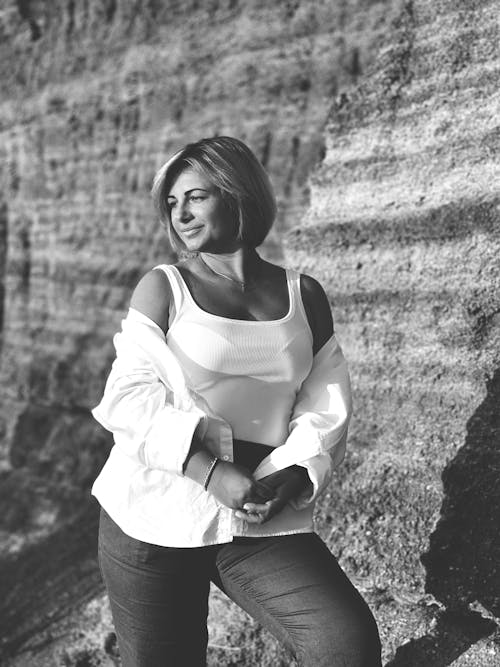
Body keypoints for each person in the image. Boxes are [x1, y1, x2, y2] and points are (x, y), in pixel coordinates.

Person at [91, 136, 382, 666]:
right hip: (154, 512)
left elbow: (325, 402)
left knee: (344, 641)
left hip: (257, 511)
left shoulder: (304, 295)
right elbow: (127, 399)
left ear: (236, 193)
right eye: (172, 203)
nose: (181, 215)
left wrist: (293, 475)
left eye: (196, 197)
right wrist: (208, 473)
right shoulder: (165, 288)